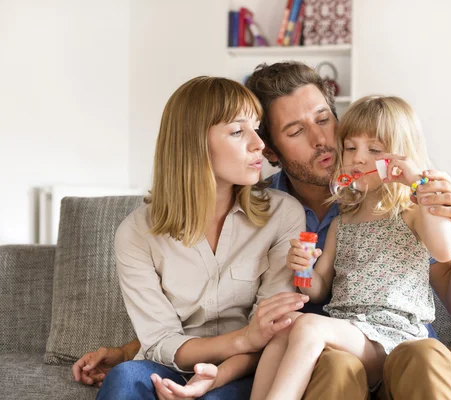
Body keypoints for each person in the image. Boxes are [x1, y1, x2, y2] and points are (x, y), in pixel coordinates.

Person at [74, 62, 451, 399]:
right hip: (312, 357)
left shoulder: (398, 201)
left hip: (393, 344)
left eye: (324, 120)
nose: (322, 140)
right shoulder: (280, 211)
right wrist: (132, 349)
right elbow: (264, 310)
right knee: (329, 365)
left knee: (420, 359)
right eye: (295, 131)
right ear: (270, 150)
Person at [87, 75, 311, 400]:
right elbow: (160, 341)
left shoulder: (283, 215)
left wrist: (220, 371)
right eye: (238, 131)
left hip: (242, 370)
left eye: (256, 128)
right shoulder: (135, 234)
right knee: (125, 379)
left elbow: (273, 332)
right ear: (193, 143)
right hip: (172, 365)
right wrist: (244, 338)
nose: (259, 143)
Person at [251, 94, 451, 400]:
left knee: (309, 327)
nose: (358, 158)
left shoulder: (412, 214)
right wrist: (304, 269)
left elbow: (445, 251)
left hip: (395, 338)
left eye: (374, 149)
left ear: (401, 159)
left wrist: (417, 183)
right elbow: (319, 290)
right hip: (351, 337)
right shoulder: (342, 221)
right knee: (286, 326)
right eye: (350, 147)